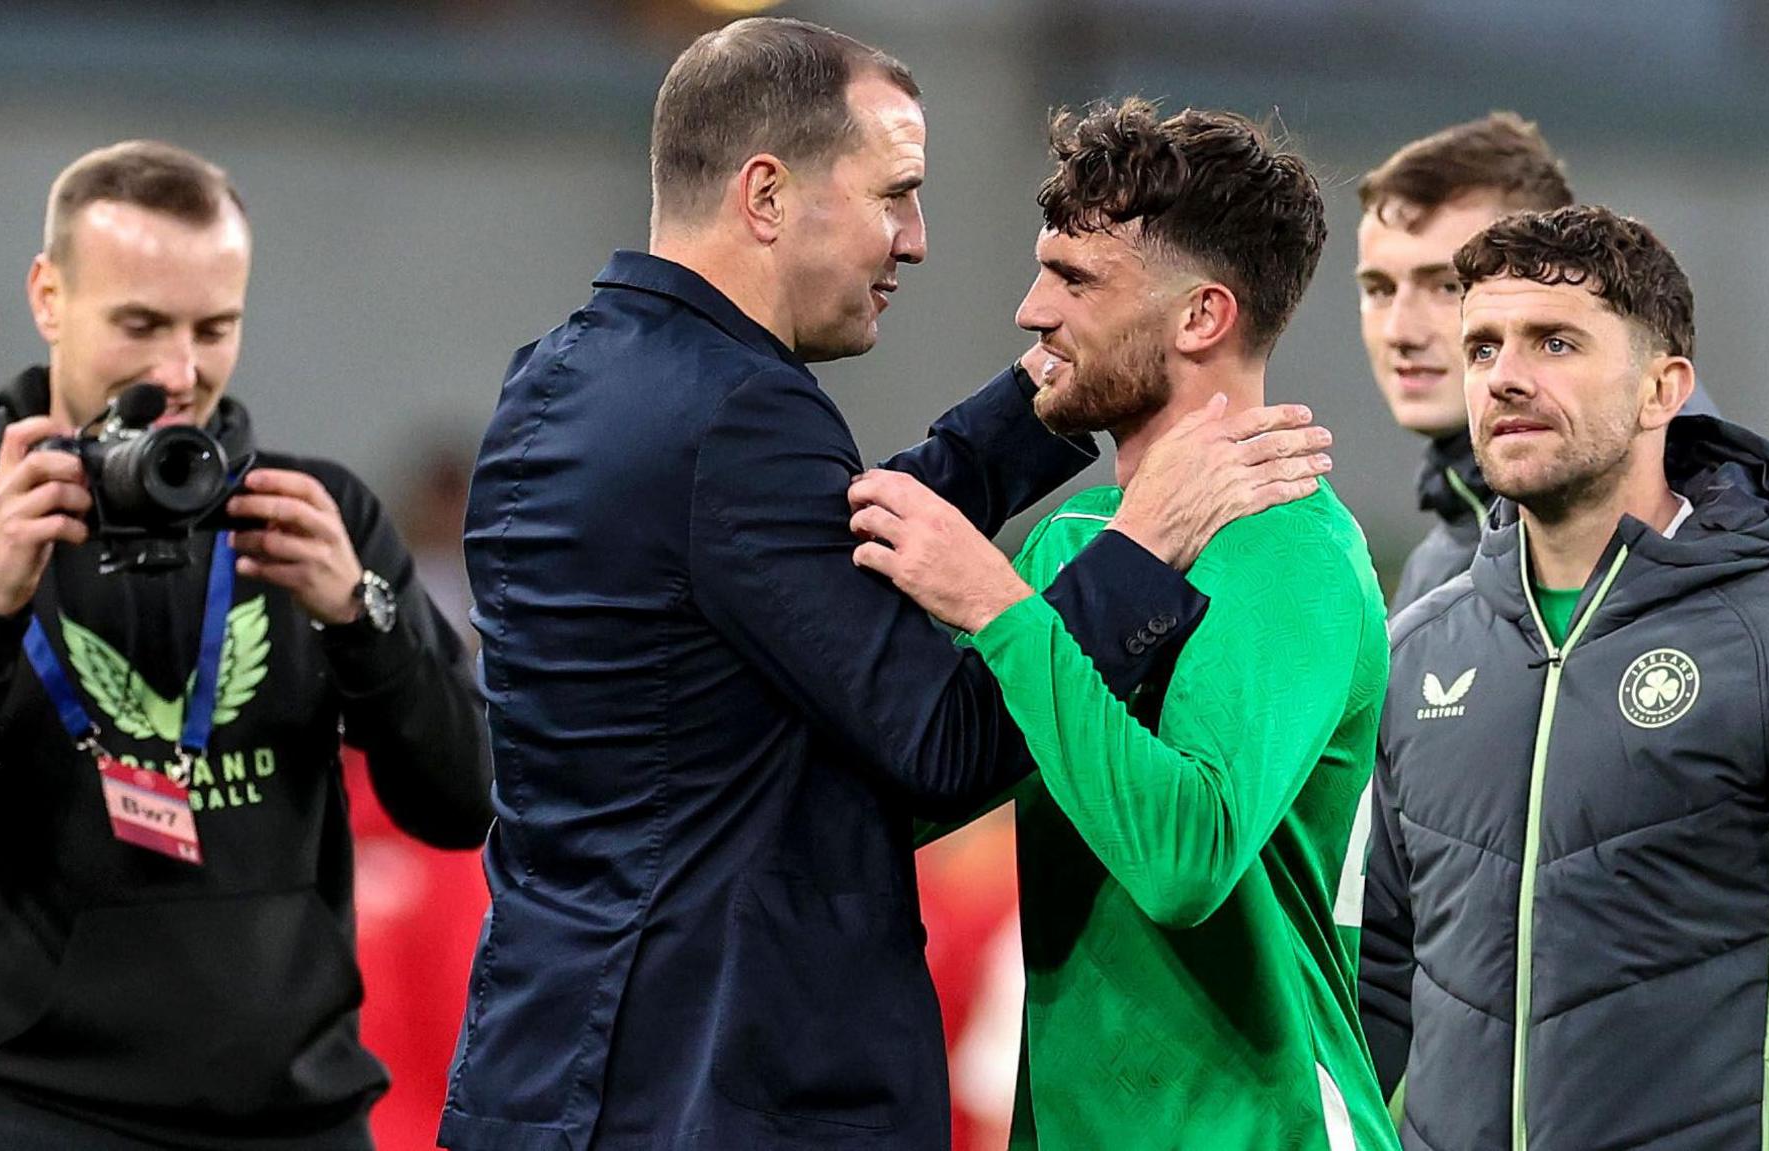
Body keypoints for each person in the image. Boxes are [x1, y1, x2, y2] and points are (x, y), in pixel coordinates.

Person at [441, 19, 1333, 1151]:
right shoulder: (745, 416)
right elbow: (949, 745)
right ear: (766, 196)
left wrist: (1034, 413)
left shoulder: (560, 377)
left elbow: (791, 560)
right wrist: (1137, 547)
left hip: (543, 1063)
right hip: (711, 1084)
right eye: (894, 193)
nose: (915, 240)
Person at [1359, 205, 1769, 1149]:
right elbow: (1377, 977)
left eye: (1554, 342)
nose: (1505, 377)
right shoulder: (1419, 654)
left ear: (1663, 390)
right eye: (1482, 348)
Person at [849, 98, 1395, 1150]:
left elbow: (1185, 859)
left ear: (1200, 318)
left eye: (1075, 281)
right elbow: (912, 796)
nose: (1028, 311)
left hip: (1253, 1126)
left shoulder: (1289, 555)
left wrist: (994, 605)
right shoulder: (1075, 541)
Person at [0, 141, 493, 1149]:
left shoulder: (315, 519)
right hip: (32, 1113)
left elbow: (460, 803)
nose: (176, 373)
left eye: (213, 328)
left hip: (296, 1117)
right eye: (139, 325)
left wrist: (360, 619)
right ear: (49, 297)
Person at [1355, 113, 1715, 614]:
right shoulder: (1439, 565)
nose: (1400, 332)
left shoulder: (1727, 538)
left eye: (1446, 287)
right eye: (1379, 289)